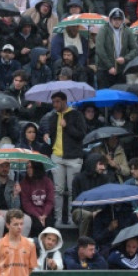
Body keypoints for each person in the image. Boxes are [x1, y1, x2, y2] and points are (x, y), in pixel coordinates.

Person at [44, 91, 87, 225]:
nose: (55, 104)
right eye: (53, 102)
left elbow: (81, 135)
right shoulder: (52, 117)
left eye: (57, 101)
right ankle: (58, 219)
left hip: (73, 157)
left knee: (72, 190)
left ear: (64, 101)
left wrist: (67, 126)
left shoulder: (76, 115)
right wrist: (46, 135)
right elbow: (51, 133)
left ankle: (71, 219)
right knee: (58, 190)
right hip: (57, 155)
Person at [95, 8, 138, 88]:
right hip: (104, 69)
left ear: (122, 20)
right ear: (110, 19)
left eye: (119, 19)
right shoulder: (103, 30)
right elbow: (99, 49)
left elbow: (135, 49)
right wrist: (110, 66)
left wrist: (125, 58)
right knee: (105, 95)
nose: (117, 21)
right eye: (115, 19)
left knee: (120, 94)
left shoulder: (127, 31)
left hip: (121, 70)